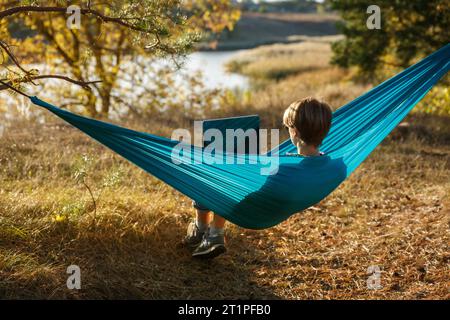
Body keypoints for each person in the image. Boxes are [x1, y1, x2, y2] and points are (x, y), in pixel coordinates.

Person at [182, 97, 333, 259]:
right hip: (276, 205)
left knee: (209, 173)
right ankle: (209, 232)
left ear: (294, 132)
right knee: (228, 168)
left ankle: (207, 230)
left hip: (252, 206)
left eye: (288, 128)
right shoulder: (332, 166)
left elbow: (255, 180)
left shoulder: (283, 168)